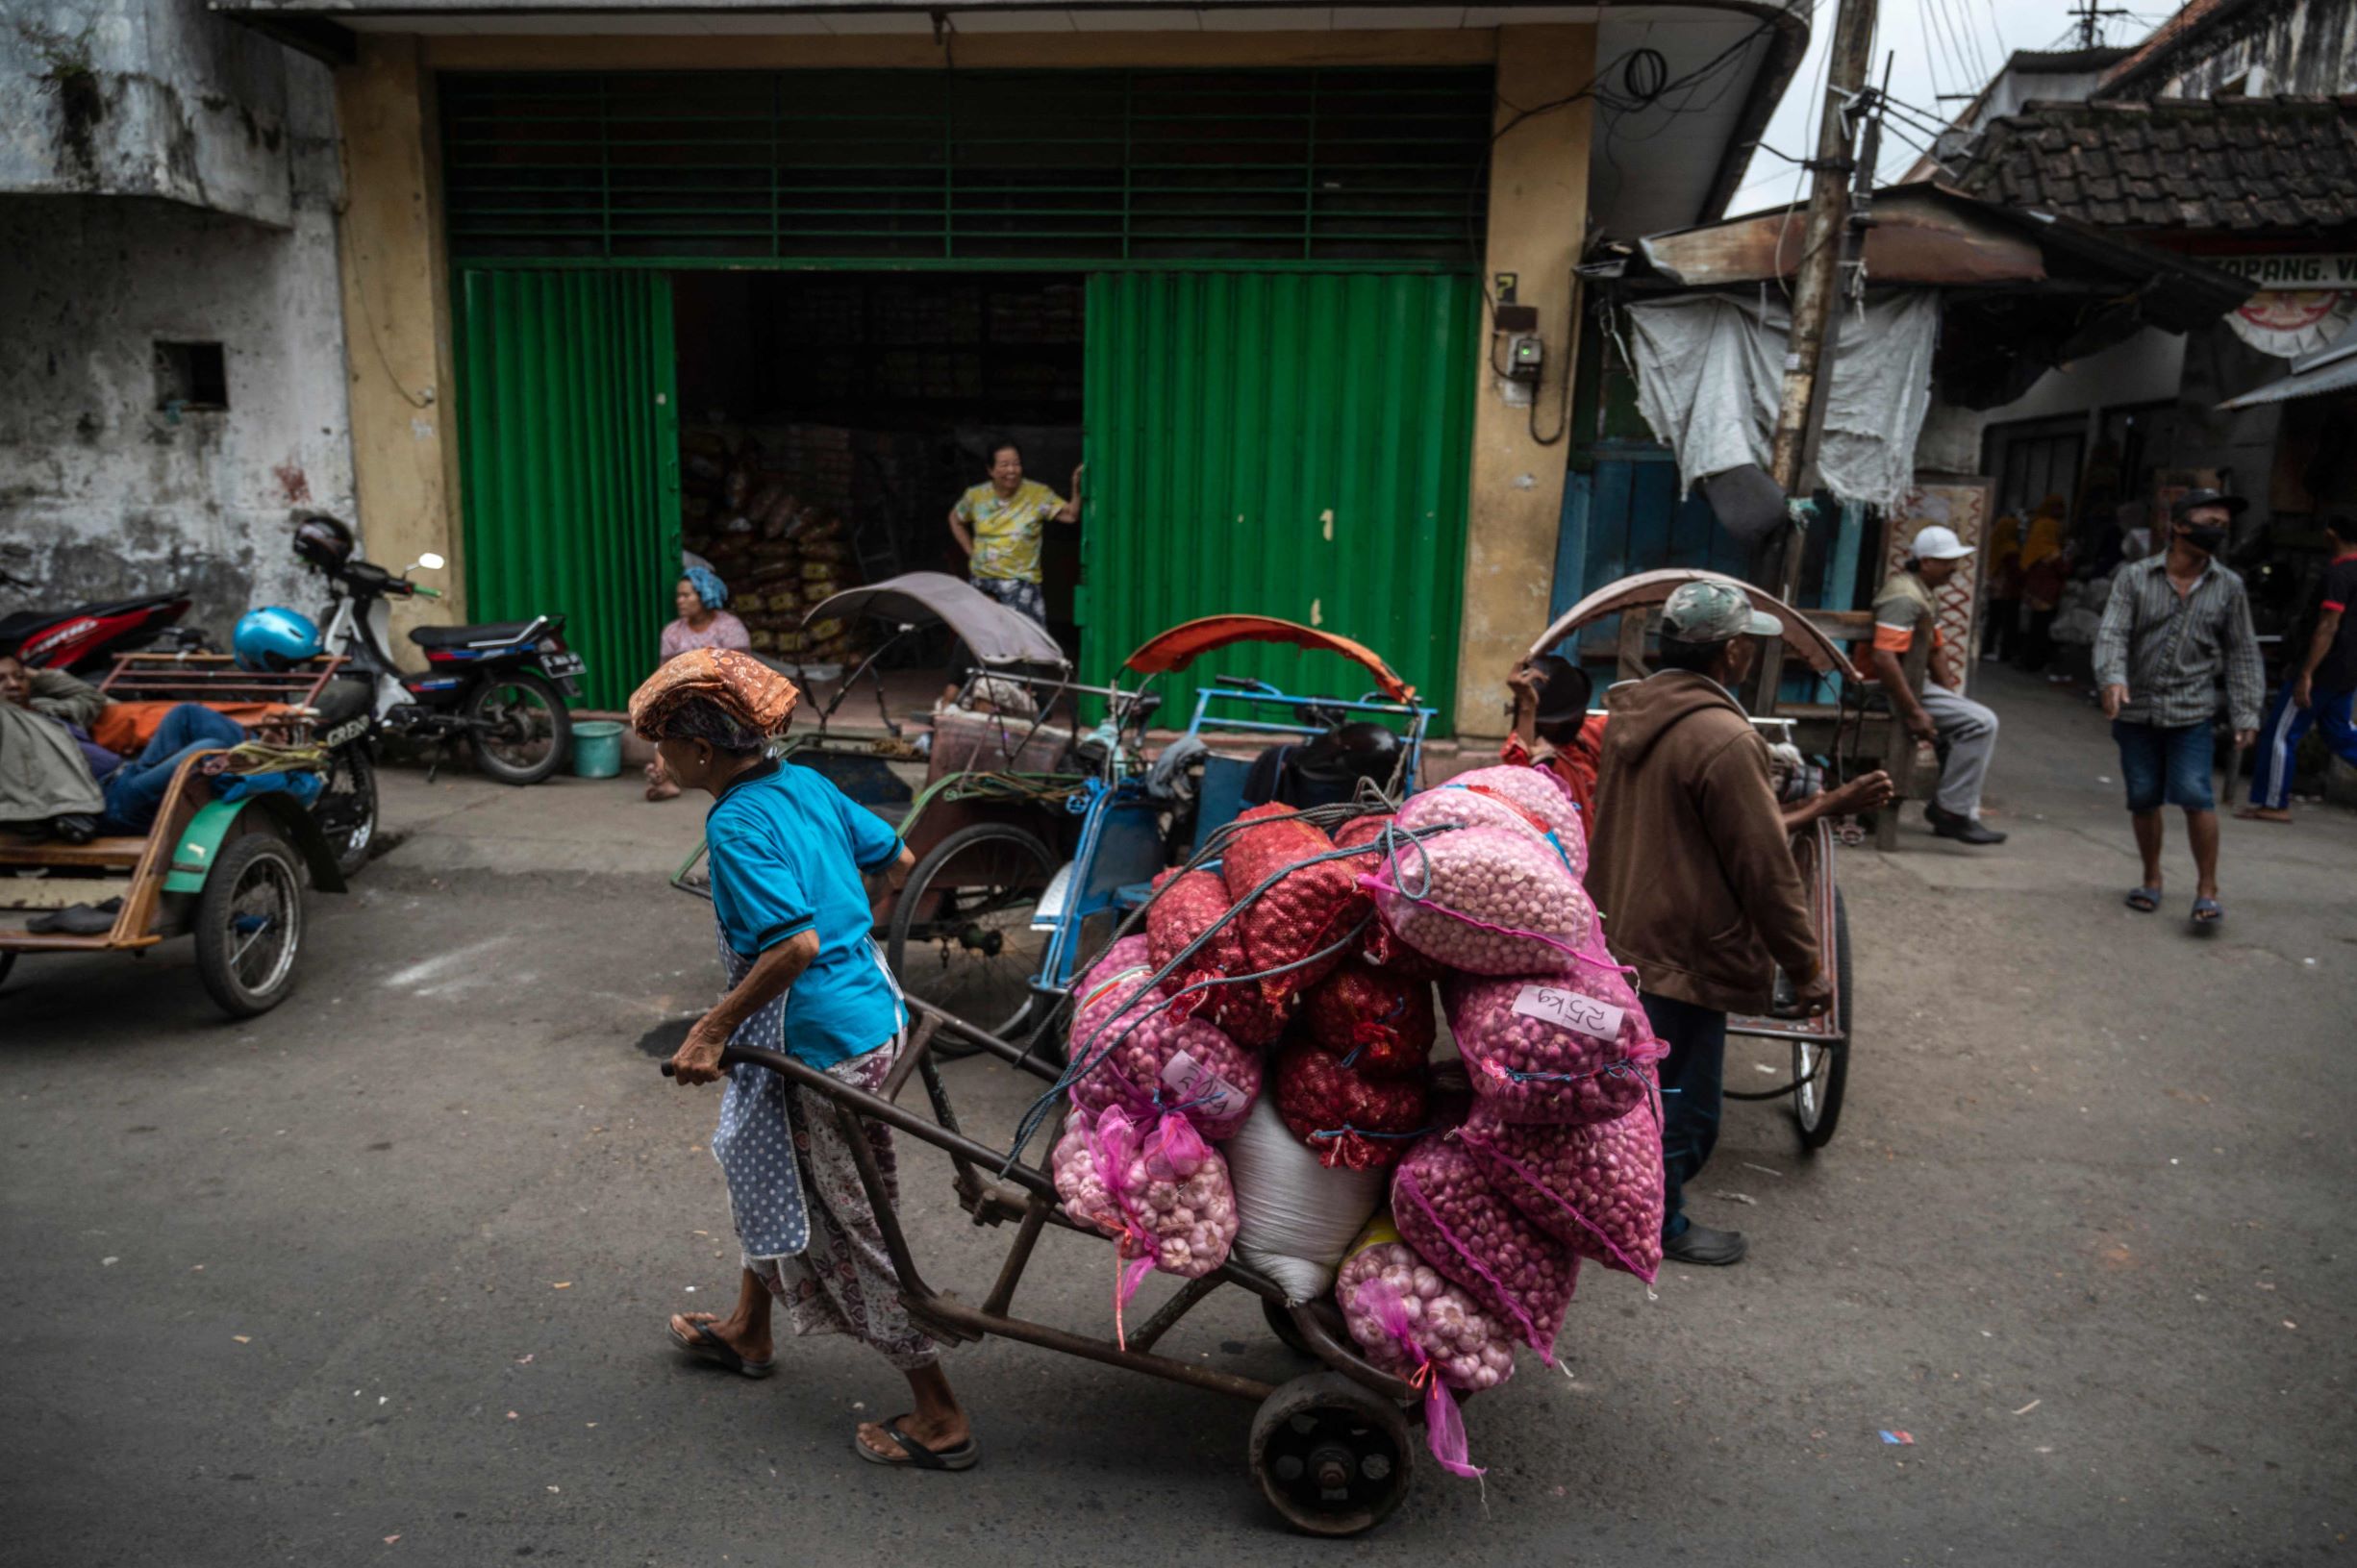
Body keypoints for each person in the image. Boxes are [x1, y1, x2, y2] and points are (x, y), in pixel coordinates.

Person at [629, 648, 975, 1472]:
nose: (658, 757)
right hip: (873, 1016)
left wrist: (709, 1030)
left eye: (665, 743)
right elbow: (893, 861)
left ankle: (939, 1411)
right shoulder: (806, 783)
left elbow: (793, 945)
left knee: (849, 1220)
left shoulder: (734, 824)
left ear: (702, 750)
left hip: (821, 1042)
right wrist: (854, 932)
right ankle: (749, 1326)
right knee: (771, 1162)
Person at [1586, 582, 1828, 1268]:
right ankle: (1658, 1225)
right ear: (1731, 653)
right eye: (1745, 644)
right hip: (1687, 949)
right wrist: (1806, 967)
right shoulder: (1724, 738)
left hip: (1626, 932)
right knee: (1683, 1106)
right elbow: (1766, 870)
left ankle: (1626, 1209)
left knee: (1639, 1091)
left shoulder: (1631, 712)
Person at [2094, 487, 2265, 926]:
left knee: (2195, 794)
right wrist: (2112, 677)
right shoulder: (2134, 577)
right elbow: (2113, 632)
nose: (2219, 532)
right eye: (2211, 524)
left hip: (2192, 709)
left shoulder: (2229, 586)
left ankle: (2207, 890)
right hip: (2137, 708)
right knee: (2143, 795)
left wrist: (2246, 711)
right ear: (2181, 526)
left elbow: (2243, 651)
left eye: (2224, 527)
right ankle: (2151, 878)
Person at [1868, 523, 2008, 846]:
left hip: (1912, 685)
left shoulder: (1924, 592)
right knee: (1982, 723)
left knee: (1967, 720)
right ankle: (1952, 812)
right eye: (1947, 562)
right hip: (1882, 690)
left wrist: (1951, 700)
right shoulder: (1904, 596)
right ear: (1926, 562)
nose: (1954, 568)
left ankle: (1956, 809)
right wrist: (1914, 711)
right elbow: (1883, 659)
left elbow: (1935, 652)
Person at [0, 656, 246, 837]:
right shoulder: (6, 725)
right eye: (1, 679)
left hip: (127, 774)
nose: (13, 684)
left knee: (186, 714)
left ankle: (258, 765)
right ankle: (252, 779)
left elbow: (90, 698)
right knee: (209, 748)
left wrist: (36, 675)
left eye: (18, 677)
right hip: (108, 802)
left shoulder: (45, 710)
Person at [2241, 514, 2357, 823]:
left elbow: (2327, 627)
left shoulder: (2339, 575)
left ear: (2332, 534)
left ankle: (2273, 803)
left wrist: (2306, 673)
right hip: (2346, 671)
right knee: (2340, 734)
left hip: (2323, 669)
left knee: (2280, 734)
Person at [645, 564, 752, 803]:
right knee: (663, 716)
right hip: (686, 696)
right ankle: (664, 778)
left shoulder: (730, 627)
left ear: (705, 594)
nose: (679, 601)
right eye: (678, 596)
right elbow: (666, 675)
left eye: (686, 595)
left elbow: (741, 671)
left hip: (723, 694)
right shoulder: (672, 632)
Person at [947, 440, 1080, 632]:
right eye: (1004, 465)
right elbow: (955, 519)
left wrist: (1076, 486)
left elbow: (1070, 516)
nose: (1012, 470)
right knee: (985, 639)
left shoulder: (1037, 495)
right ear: (990, 470)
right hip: (983, 583)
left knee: (1023, 641)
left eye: (1016, 464)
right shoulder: (975, 496)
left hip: (1021, 585)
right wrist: (972, 552)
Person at [2016, 502, 2070, 674]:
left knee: (2033, 627)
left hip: (2033, 593)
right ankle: (2035, 662)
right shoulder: (2052, 551)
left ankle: (2026, 660)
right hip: (2047, 595)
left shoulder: (2032, 548)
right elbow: (2064, 570)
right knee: (2041, 629)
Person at [1982, 510, 2023, 663]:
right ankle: (2003, 652)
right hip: (2008, 591)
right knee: (2007, 623)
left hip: (1995, 589)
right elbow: (2016, 572)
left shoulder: (1994, 543)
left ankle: (1987, 649)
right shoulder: (2011, 548)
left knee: (1993, 621)